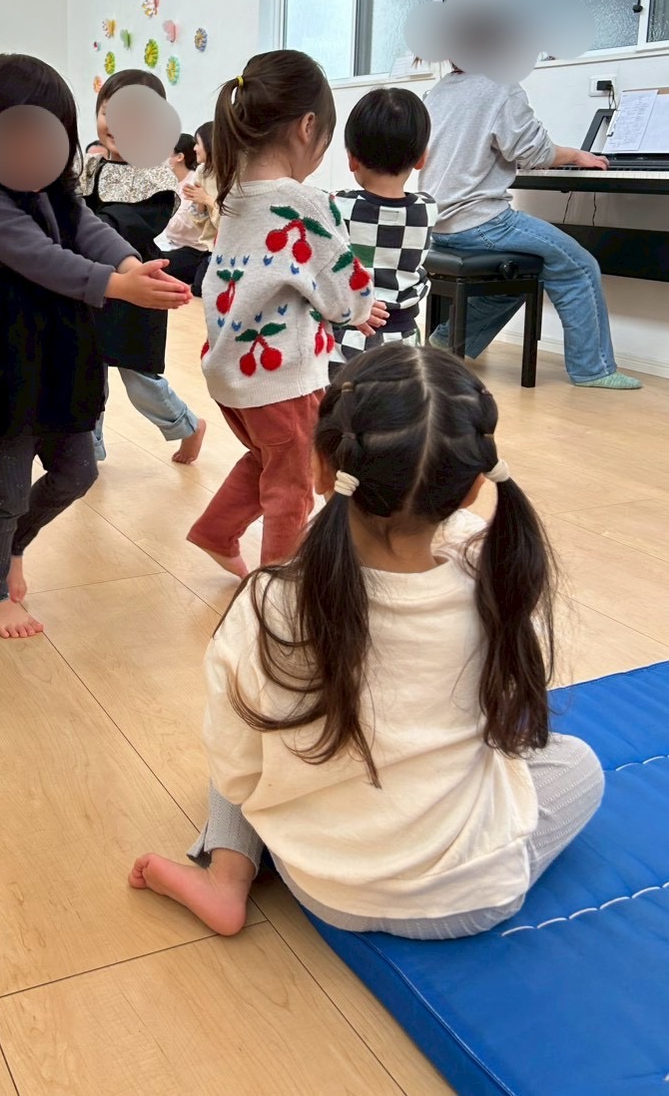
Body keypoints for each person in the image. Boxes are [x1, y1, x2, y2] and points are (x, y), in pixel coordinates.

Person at [131, 344, 604, 940]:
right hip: (466, 902)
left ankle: (227, 877)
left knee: (243, 734)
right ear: (475, 488)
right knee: (578, 763)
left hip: (323, 888)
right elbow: (508, 728)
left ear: (323, 468)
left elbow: (238, 774)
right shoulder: (501, 579)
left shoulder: (270, 599)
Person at [0, 53, 192, 641]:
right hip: (3, 361)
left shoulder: (57, 191)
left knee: (77, 471)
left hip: (60, 358)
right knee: (9, 487)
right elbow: (41, 258)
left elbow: (90, 232)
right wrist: (119, 285)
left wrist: (130, 262)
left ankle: (15, 543)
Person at [187, 51, 377, 580]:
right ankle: (282, 588)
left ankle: (216, 533)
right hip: (280, 377)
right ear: (308, 126)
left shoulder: (232, 193)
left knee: (272, 460)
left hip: (230, 371)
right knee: (294, 485)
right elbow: (343, 291)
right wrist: (361, 309)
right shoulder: (301, 200)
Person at [422, 69, 641, 389]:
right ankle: (593, 369)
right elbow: (533, 153)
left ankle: (446, 338)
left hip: (441, 225)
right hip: (481, 222)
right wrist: (579, 155)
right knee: (580, 266)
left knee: (513, 279)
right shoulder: (499, 85)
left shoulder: (438, 92)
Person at [83, 71, 207, 467]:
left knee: (139, 379)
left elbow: (126, 224)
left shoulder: (156, 177)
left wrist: (79, 228)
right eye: (107, 112)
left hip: (137, 284)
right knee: (86, 371)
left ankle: (187, 424)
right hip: (91, 284)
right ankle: (89, 449)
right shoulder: (93, 166)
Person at [330, 88, 437, 377]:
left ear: (352, 159)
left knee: (340, 414)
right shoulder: (427, 209)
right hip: (404, 341)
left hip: (346, 338)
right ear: (421, 158)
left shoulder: (337, 205)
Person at [156, 121, 216, 296]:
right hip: (173, 244)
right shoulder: (174, 182)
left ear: (179, 157)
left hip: (196, 249)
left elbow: (182, 225)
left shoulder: (194, 180)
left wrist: (205, 201)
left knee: (157, 265)